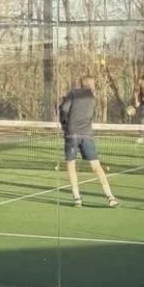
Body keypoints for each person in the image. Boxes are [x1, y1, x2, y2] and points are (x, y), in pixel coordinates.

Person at [59, 75, 118, 208]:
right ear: (90, 85)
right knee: (96, 166)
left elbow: (63, 109)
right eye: (93, 83)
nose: (94, 85)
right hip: (86, 134)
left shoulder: (73, 93)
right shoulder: (92, 98)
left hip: (72, 134)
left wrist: (64, 124)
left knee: (71, 165)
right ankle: (110, 196)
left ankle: (77, 198)